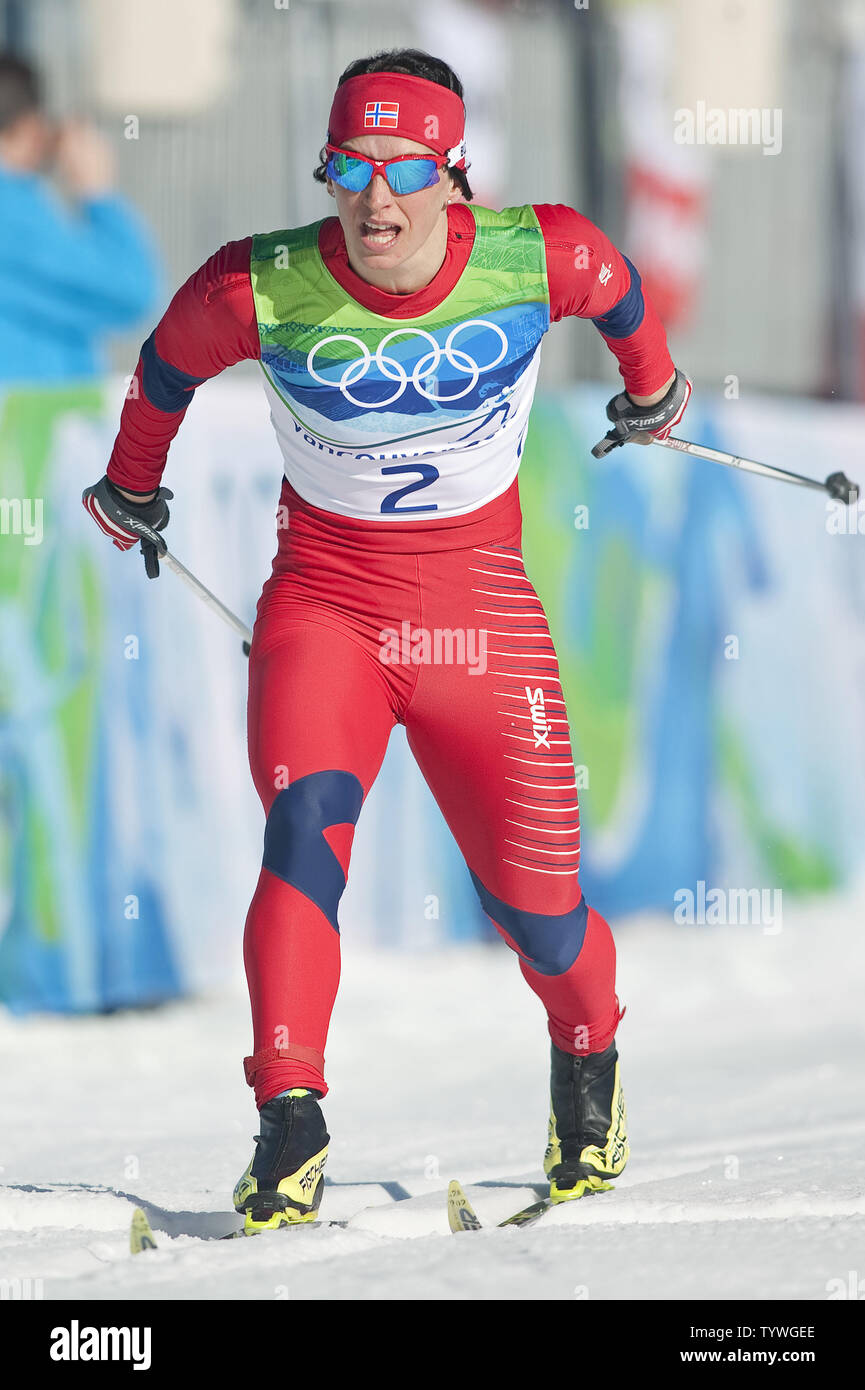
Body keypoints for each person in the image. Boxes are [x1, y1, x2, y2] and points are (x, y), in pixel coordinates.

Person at [82, 49, 690, 1234]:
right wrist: (129, 486)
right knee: (305, 832)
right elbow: (162, 372)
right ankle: (289, 1116)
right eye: (350, 168)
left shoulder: (538, 252)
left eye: (405, 167)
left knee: (541, 914)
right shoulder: (258, 284)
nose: (375, 200)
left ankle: (587, 1058)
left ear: (454, 172)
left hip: (478, 614)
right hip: (328, 605)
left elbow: (617, 289)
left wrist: (652, 389)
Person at [0, 52, 159, 382]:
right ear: (30, 127)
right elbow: (131, 291)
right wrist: (99, 194)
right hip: (28, 426)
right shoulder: (14, 210)